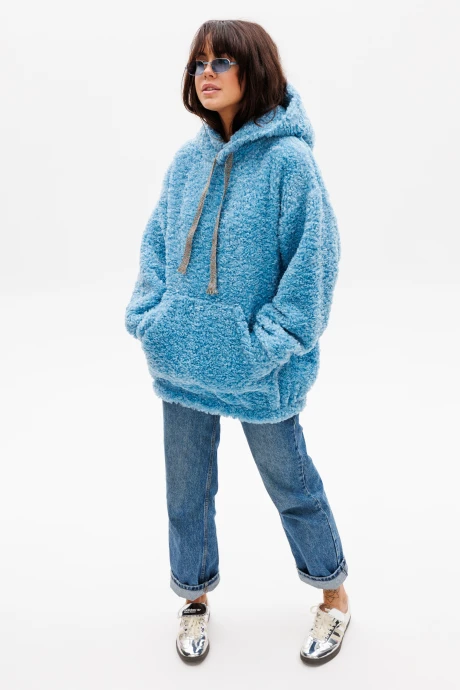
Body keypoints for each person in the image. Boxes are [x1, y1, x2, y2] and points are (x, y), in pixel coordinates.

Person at [124, 19, 351, 666]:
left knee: (292, 485)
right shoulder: (187, 161)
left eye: (221, 60)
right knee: (186, 493)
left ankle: (333, 594)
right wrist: (151, 318)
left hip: (260, 372)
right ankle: (193, 598)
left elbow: (313, 269)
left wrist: (263, 345)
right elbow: (156, 246)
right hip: (183, 362)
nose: (206, 72)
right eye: (199, 62)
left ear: (255, 69)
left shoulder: (289, 163)